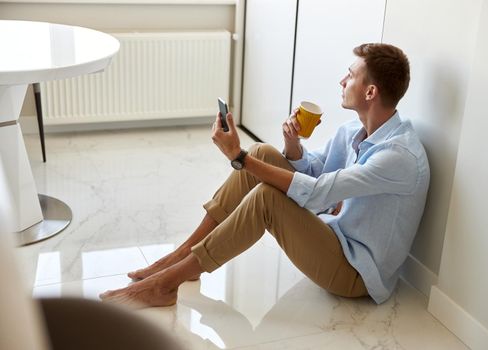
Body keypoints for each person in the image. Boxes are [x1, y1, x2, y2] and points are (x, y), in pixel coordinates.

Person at [100, 43, 430, 307]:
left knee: (266, 196)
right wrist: (292, 145)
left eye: (350, 76)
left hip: (356, 273)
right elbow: (314, 169)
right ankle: (182, 255)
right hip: (334, 236)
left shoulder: (397, 156)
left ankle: (167, 283)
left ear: (370, 92)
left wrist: (237, 156)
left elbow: (317, 193)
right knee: (262, 153)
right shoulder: (353, 130)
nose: (342, 82)